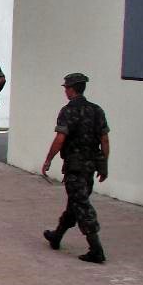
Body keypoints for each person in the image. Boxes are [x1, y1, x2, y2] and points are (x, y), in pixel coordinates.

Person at [41, 72, 110, 263]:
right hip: (90, 166)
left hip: (75, 166)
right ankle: (57, 236)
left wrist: (48, 159)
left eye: (66, 88)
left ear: (70, 89)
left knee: (81, 205)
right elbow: (104, 139)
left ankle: (96, 249)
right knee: (75, 203)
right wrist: (103, 165)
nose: (65, 91)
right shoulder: (97, 110)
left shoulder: (68, 111)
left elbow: (60, 138)